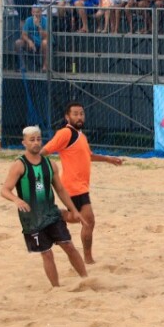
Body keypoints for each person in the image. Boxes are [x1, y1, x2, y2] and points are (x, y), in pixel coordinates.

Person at [0, 125, 87, 287]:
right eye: (32, 140)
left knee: (68, 244)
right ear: (24, 142)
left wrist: (74, 210)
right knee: (46, 253)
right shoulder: (19, 165)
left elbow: (60, 189)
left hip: (51, 213)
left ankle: (85, 278)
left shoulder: (50, 164)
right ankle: (56, 287)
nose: (36, 143)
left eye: (38, 139)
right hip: (31, 219)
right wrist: (17, 200)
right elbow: (4, 190)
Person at [41, 102, 124, 264]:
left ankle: (54, 215)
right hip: (73, 186)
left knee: (78, 218)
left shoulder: (80, 136)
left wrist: (108, 159)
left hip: (80, 185)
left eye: (81, 114)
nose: (79, 117)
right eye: (75, 114)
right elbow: (45, 151)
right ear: (67, 117)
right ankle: (88, 259)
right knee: (88, 220)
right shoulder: (65, 133)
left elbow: (89, 155)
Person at [16, 6, 50, 71]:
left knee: (45, 43)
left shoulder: (45, 20)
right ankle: (22, 66)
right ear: (31, 12)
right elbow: (23, 34)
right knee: (18, 43)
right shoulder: (28, 20)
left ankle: (45, 66)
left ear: (41, 12)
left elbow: (46, 36)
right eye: (33, 12)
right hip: (31, 43)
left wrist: (38, 26)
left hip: (42, 44)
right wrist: (29, 41)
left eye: (37, 12)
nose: (35, 14)